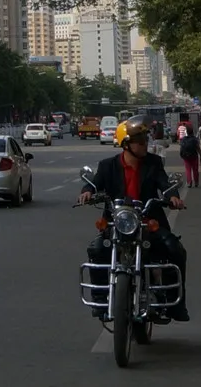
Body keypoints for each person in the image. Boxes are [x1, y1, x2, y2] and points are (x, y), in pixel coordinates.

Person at [80, 120, 187, 310]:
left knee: (174, 248)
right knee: (96, 249)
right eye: (139, 141)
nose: (144, 144)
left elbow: (164, 184)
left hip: (148, 221)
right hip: (117, 223)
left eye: (144, 139)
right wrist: (87, 191)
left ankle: (175, 304)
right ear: (125, 144)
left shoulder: (153, 163)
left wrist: (173, 197)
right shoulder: (108, 166)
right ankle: (100, 299)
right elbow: (95, 183)